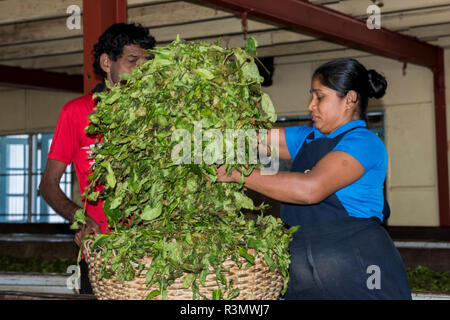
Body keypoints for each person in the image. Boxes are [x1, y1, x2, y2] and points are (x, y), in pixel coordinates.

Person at [217, 58, 412, 300]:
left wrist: (237, 174)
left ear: (350, 99)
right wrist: (185, 139)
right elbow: (245, 139)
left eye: (319, 97)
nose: (311, 105)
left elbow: (311, 189)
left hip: (358, 270)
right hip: (305, 274)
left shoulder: (364, 142)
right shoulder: (309, 138)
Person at [39, 23, 156, 294]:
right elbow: (48, 185)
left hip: (152, 251)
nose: (141, 69)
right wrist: (79, 218)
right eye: (132, 60)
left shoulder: (155, 115)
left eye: (147, 62)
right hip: (101, 252)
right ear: (107, 62)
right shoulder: (77, 113)